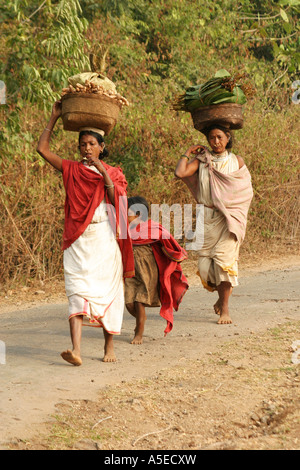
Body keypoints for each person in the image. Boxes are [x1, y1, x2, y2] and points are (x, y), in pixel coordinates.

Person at [37, 100, 134, 365]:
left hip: (104, 241)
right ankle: (76, 350)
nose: (87, 148)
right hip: (77, 241)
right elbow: (42, 149)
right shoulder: (71, 169)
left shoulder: (113, 173)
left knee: (109, 292)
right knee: (77, 292)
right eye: (83, 144)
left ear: (102, 147)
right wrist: (54, 117)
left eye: (92, 144)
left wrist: (103, 173)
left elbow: (119, 203)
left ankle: (109, 347)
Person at [174, 124, 253, 325]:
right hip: (206, 217)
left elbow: (245, 191)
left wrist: (234, 212)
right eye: (212, 138)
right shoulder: (202, 161)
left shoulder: (236, 161)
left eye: (219, 137)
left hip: (229, 219)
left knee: (224, 264)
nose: (216, 142)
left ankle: (225, 309)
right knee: (206, 268)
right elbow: (180, 172)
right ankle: (220, 297)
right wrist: (188, 152)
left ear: (227, 137)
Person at [125, 196, 189, 344]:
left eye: (128, 213)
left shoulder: (153, 228)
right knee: (129, 302)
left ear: (139, 215)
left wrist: (175, 255)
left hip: (147, 270)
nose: (125, 217)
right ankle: (141, 319)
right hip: (130, 269)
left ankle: (139, 332)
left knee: (139, 300)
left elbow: (168, 242)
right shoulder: (124, 231)